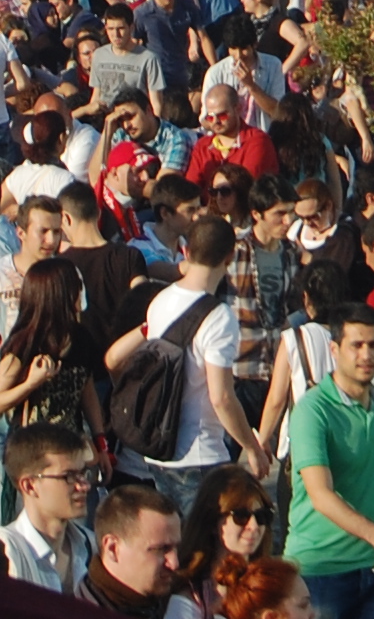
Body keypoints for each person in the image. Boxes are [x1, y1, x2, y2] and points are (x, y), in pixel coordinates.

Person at [105, 214, 261, 519]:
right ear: (229, 258)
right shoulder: (220, 317)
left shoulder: (160, 300)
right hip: (201, 453)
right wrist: (252, 447)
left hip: (160, 449)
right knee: (204, 542)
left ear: (187, 252)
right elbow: (221, 397)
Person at [283, 305, 374, 619]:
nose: (367, 355)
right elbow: (320, 494)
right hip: (320, 567)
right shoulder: (313, 410)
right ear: (335, 349)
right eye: (357, 345)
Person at [0, 422, 92, 588]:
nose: (84, 486)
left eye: (83, 474)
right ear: (29, 486)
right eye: (68, 476)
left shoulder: (94, 548)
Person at [75, 483, 205, 619]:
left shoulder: (162, 601)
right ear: (112, 548)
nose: (174, 563)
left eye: (176, 548)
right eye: (160, 549)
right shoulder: (79, 613)